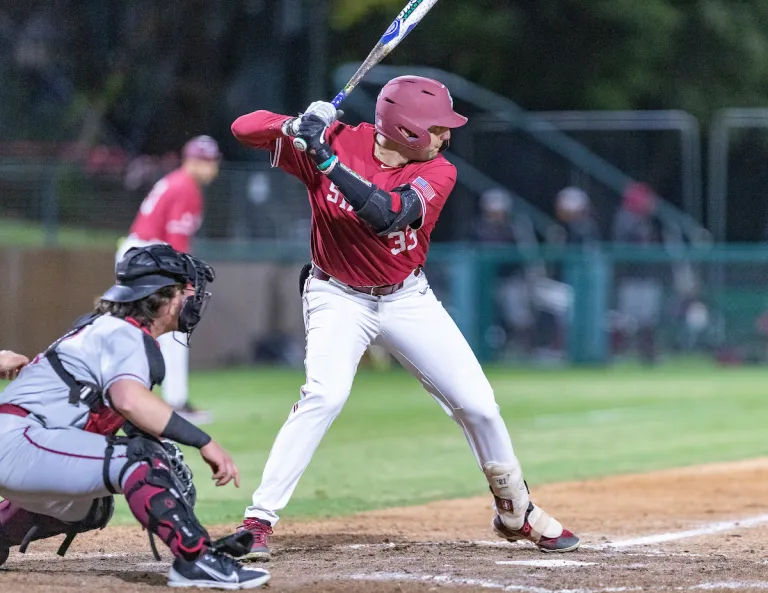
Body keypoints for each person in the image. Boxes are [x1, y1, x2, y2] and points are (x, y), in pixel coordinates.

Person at [230, 75, 580, 561]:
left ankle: (515, 510)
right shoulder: (333, 140)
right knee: (325, 395)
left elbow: (388, 214)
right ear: (407, 130)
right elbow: (243, 128)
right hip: (337, 296)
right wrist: (299, 124)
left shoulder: (438, 172)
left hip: (405, 298)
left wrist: (325, 159)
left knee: (478, 404)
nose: (447, 135)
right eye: (438, 127)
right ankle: (257, 522)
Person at [0, 244, 270, 589]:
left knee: (94, 505)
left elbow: (117, 412)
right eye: (186, 290)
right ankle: (196, 560)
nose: (194, 299)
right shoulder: (123, 333)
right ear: (164, 296)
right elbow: (129, 400)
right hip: (19, 442)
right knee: (140, 460)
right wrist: (203, 441)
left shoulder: (108, 329)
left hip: (29, 444)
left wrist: (159, 457)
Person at [116, 135, 222, 424]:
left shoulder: (179, 183)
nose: (211, 166)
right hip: (147, 256)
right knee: (173, 328)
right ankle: (173, 402)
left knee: (143, 330)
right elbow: (176, 242)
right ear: (190, 160)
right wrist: (185, 284)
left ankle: (166, 399)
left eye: (213, 160)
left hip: (142, 255)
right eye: (205, 160)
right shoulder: (185, 187)